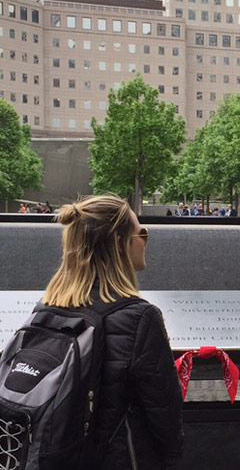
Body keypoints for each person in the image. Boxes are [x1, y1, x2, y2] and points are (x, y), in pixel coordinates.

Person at [41, 195, 183, 469]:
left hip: (61, 457)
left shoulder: (47, 307)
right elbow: (164, 415)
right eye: (142, 233)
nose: (144, 241)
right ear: (120, 244)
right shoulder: (140, 317)